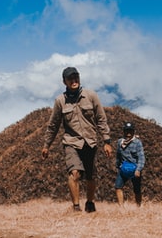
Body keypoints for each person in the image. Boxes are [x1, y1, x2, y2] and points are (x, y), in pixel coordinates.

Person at [41, 67, 113, 213]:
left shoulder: (91, 96)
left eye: (76, 78)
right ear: (64, 82)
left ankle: (90, 202)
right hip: (71, 142)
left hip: (90, 142)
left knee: (91, 176)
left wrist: (107, 141)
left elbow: (101, 119)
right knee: (74, 173)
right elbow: (53, 125)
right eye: (70, 79)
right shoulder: (60, 101)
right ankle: (76, 207)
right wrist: (46, 145)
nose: (74, 81)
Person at [115, 122, 145, 207]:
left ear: (133, 131)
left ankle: (138, 207)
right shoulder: (120, 142)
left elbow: (141, 157)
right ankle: (121, 207)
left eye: (130, 131)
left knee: (137, 190)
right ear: (124, 131)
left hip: (134, 169)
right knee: (118, 187)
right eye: (127, 131)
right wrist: (118, 166)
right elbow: (118, 155)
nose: (128, 133)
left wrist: (138, 170)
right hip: (123, 168)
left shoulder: (137, 142)